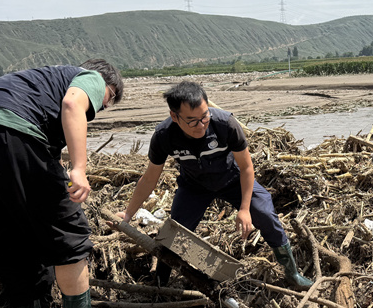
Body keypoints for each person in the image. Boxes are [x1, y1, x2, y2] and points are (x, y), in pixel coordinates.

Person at [0, 59, 124, 308]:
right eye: (108, 100)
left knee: (6, 238)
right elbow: (72, 105)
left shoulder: (36, 84)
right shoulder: (89, 77)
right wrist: (79, 167)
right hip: (9, 132)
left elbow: (42, 153)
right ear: (109, 86)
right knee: (69, 233)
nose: (102, 107)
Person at [117, 80, 313, 289]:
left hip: (232, 180)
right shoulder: (164, 136)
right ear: (175, 116)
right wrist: (128, 215)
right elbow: (149, 179)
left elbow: (247, 168)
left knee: (264, 213)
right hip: (193, 187)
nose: (201, 125)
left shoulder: (225, 124)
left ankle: (292, 274)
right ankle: (160, 281)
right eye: (192, 121)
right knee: (175, 232)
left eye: (204, 117)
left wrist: (245, 209)